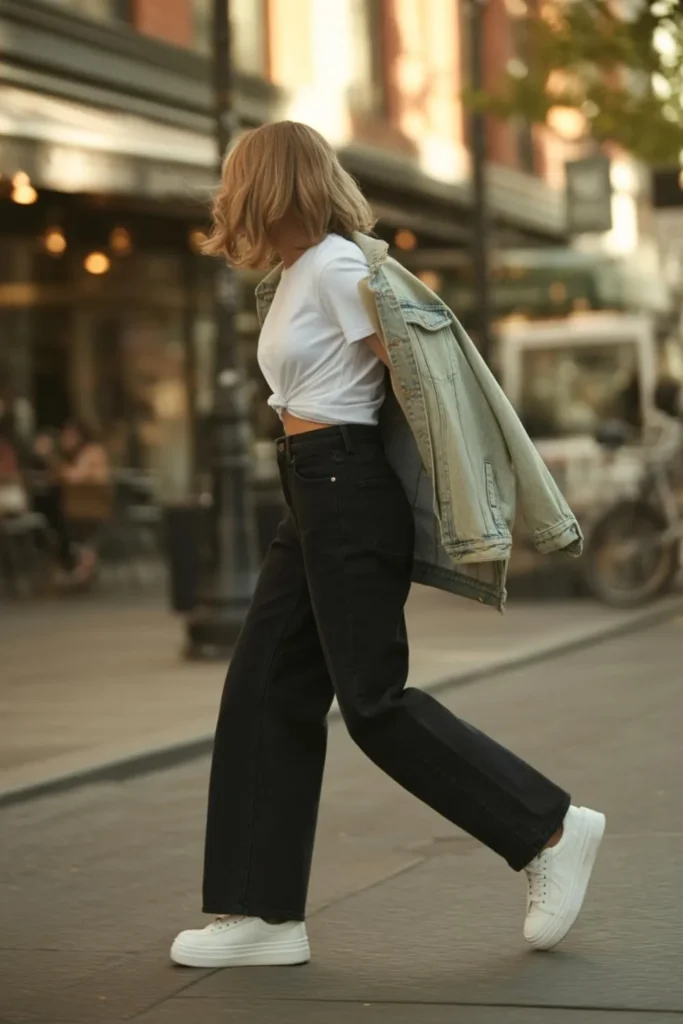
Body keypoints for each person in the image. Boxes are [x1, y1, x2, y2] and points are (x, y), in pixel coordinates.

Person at [171, 121, 605, 969]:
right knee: (263, 686)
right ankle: (263, 916)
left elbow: (425, 382)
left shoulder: (338, 266)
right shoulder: (296, 274)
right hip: (310, 488)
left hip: (344, 487)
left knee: (371, 700)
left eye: (235, 182)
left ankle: (546, 830)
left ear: (267, 185)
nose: (225, 198)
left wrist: (463, 498)